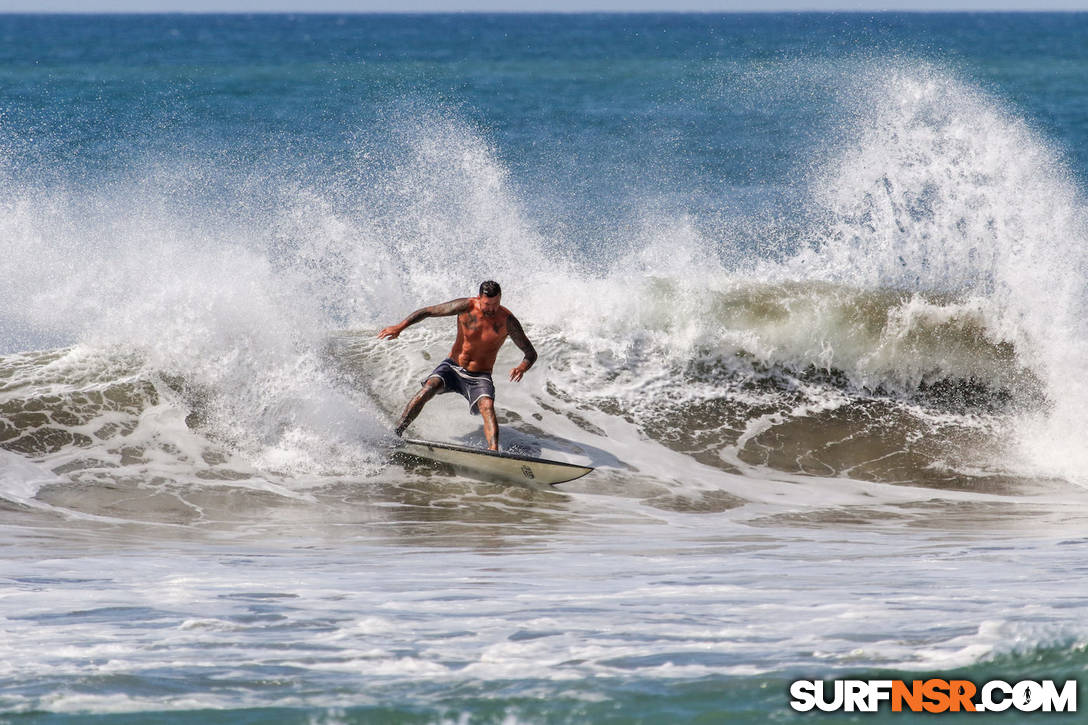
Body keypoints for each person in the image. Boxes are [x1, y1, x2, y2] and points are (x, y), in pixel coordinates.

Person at [377, 280, 537, 451]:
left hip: (479, 375)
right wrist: (400, 327)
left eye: (496, 304)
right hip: (452, 367)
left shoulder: (507, 321)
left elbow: (530, 353)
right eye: (487, 304)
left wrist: (522, 367)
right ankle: (396, 434)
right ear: (479, 298)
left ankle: (493, 452)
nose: (491, 308)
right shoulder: (465, 306)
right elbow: (427, 311)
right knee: (427, 389)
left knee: (487, 406)